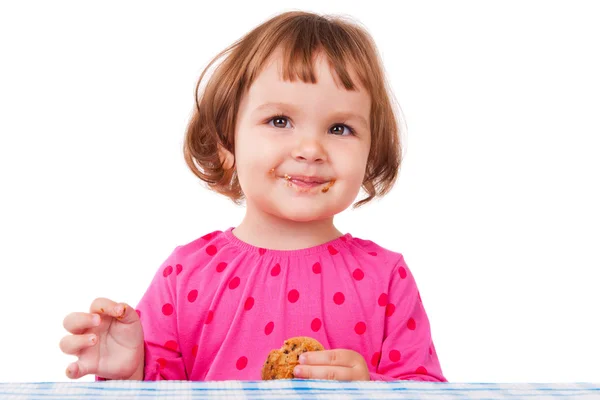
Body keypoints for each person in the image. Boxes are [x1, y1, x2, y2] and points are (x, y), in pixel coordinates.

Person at [59, 10, 446, 382]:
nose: (310, 149)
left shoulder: (386, 277)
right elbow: (163, 389)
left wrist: (371, 388)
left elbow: (426, 387)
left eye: (340, 128)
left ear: (371, 151)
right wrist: (132, 371)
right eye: (280, 121)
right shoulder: (185, 275)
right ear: (227, 141)